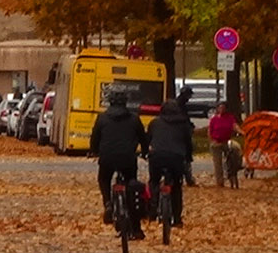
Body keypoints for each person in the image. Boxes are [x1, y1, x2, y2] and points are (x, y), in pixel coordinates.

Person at [92, 87, 145, 223]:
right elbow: (143, 138)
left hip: (107, 158)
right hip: (128, 158)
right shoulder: (134, 119)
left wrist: (94, 150)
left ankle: (108, 203)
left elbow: (95, 138)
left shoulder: (102, 118)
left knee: (104, 179)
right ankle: (130, 205)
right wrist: (144, 151)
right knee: (131, 181)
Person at [146, 93, 197, 227]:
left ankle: (152, 209)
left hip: (157, 156)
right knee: (176, 187)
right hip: (176, 157)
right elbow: (188, 143)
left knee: (154, 181)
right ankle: (177, 218)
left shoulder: (155, 123)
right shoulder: (183, 124)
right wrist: (188, 156)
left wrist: (146, 153)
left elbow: (148, 139)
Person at [206, 103, 242, 188]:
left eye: (223, 108)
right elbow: (209, 131)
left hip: (226, 141)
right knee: (218, 163)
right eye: (220, 108)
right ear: (217, 109)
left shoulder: (229, 118)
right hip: (216, 142)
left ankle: (233, 173)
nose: (222, 109)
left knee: (234, 154)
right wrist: (212, 140)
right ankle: (220, 182)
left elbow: (235, 126)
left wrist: (242, 132)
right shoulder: (214, 119)